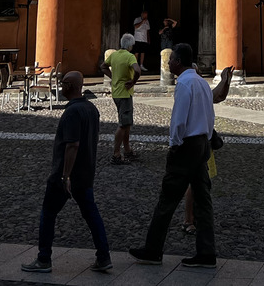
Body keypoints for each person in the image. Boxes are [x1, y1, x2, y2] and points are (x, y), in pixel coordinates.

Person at [130, 43, 216, 269]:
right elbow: (210, 115)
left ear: (177, 62)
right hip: (202, 144)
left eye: (170, 60)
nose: (168, 63)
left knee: (167, 199)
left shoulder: (185, 84)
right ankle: (207, 252)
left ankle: (152, 249)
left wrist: (174, 145)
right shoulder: (202, 82)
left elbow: (178, 120)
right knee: (203, 200)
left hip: (186, 146)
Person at [21, 71, 113, 274]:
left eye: (63, 83)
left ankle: (44, 258)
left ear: (70, 86)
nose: (60, 86)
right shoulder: (91, 108)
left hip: (67, 175)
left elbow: (72, 145)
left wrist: (65, 176)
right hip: (86, 173)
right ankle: (104, 256)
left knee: (48, 213)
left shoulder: (72, 112)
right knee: (91, 214)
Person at [182, 65, 233, 235]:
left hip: (205, 143)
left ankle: (195, 216)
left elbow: (218, 95)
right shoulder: (188, 89)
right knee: (194, 183)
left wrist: (225, 81)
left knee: (203, 182)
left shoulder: (201, 88)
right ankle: (189, 219)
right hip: (192, 143)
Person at [100, 34, 142, 164]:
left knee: (126, 123)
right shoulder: (129, 56)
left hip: (116, 93)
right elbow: (138, 70)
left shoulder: (114, 55)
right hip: (125, 93)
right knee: (123, 124)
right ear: (130, 45)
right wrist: (133, 81)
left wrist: (113, 76)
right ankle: (116, 153)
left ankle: (127, 150)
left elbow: (102, 66)